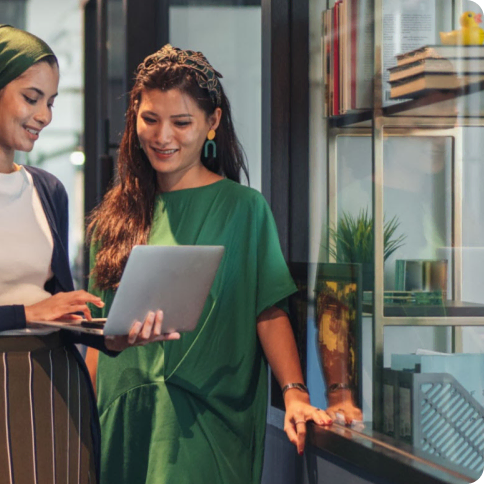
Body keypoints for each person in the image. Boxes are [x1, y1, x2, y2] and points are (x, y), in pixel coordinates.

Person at [0, 25, 177, 484]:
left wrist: (111, 337)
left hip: (61, 384)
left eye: (51, 101)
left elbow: (58, 308)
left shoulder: (47, 190)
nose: (44, 115)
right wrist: (26, 311)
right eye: (32, 97)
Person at [85, 45, 333, 484]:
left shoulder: (244, 210)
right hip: (121, 414)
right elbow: (96, 334)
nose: (163, 137)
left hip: (207, 420)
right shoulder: (114, 217)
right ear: (134, 118)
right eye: (150, 119)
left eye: (181, 123)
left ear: (212, 122)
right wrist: (82, 419)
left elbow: (268, 308)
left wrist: (295, 392)